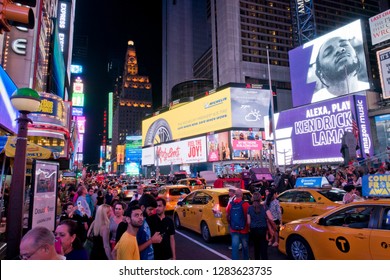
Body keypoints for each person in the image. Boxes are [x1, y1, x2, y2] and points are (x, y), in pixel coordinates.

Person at [312, 36, 369, 103]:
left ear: (356, 57)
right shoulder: (313, 101)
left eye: (344, 45)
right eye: (328, 52)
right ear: (321, 73)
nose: (340, 49)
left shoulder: (370, 91)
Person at [247, 192, 272, 260]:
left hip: (254, 230)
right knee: (264, 250)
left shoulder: (250, 208)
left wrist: (249, 229)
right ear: (260, 198)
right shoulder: (264, 207)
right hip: (263, 230)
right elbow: (270, 218)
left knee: (256, 249)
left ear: (252, 199)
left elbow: (248, 222)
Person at [226, 188, 250, 260]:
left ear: (235, 195)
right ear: (242, 195)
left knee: (235, 247)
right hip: (244, 229)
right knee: (245, 246)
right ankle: (246, 259)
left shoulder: (231, 204)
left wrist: (230, 223)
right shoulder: (246, 204)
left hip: (234, 229)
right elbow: (248, 216)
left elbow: (227, 215)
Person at [137, 194, 162, 260]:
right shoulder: (136, 225)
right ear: (142, 207)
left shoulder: (146, 220)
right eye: (150, 209)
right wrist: (152, 240)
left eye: (153, 210)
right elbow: (134, 249)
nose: (152, 212)